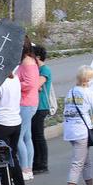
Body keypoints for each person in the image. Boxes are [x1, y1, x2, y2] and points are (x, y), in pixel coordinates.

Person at [62, 65, 93, 185]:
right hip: (82, 131)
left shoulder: (71, 92)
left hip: (70, 130)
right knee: (78, 164)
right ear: (88, 79)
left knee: (85, 162)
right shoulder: (90, 94)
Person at [16, 39, 42, 180]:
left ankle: (25, 168)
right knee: (26, 136)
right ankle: (28, 168)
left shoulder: (27, 62)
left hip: (26, 102)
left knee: (19, 136)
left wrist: (14, 84)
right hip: (29, 101)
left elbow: (30, 83)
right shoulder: (30, 61)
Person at [32, 45, 55, 174]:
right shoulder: (35, 69)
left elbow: (37, 84)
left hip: (41, 106)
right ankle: (36, 161)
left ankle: (42, 163)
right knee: (33, 135)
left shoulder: (45, 69)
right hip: (34, 105)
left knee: (38, 135)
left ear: (38, 57)